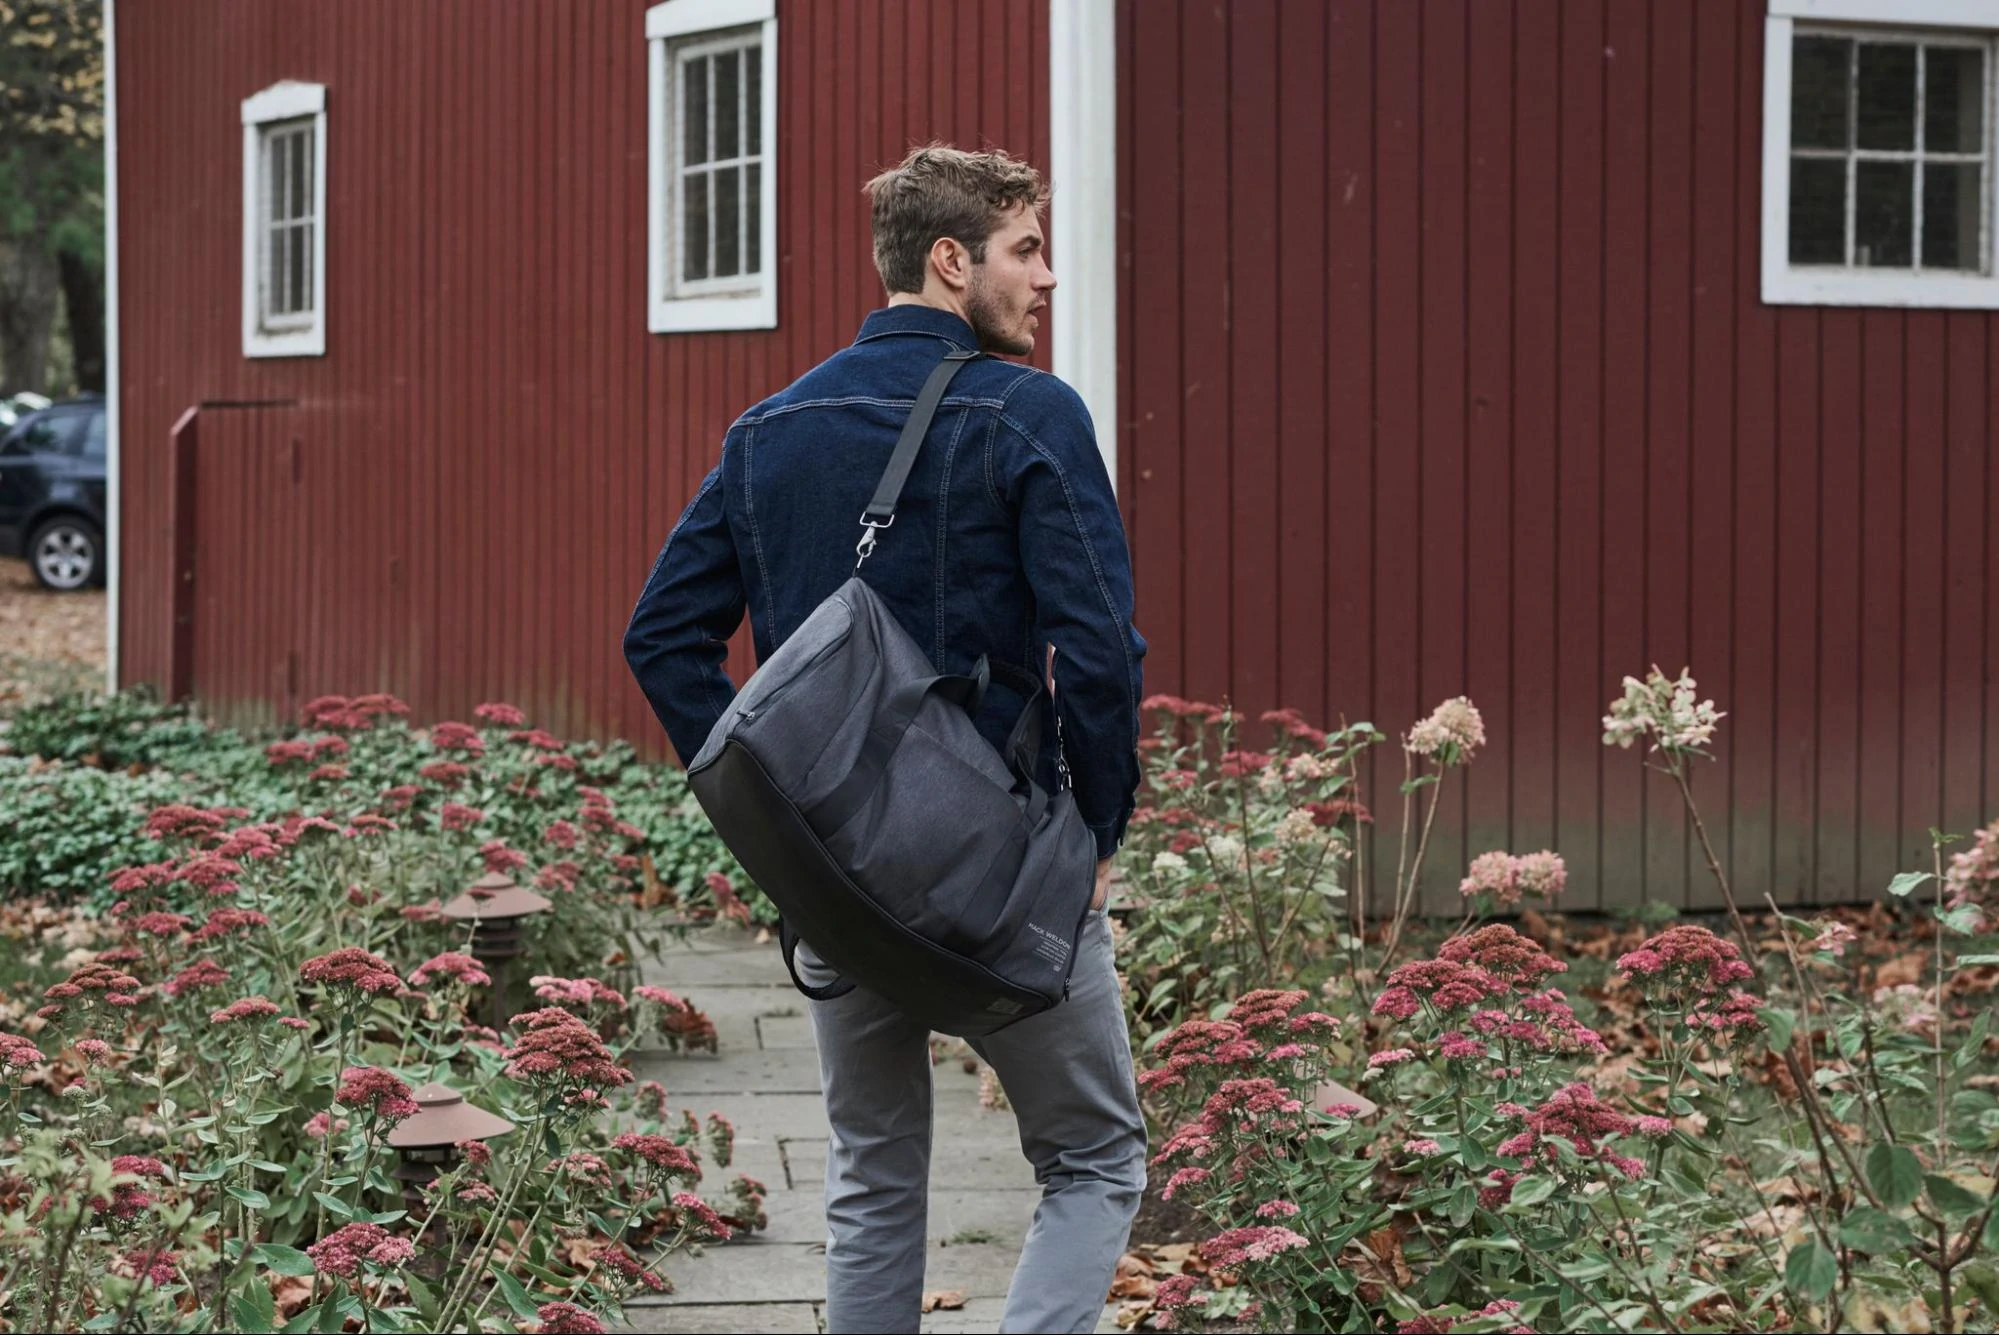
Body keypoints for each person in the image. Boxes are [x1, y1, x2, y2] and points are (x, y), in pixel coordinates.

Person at [623, 144, 1147, 1334]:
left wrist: (781, 818)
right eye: (1025, 250)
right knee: (1093, 1160)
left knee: (870, 1175)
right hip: (1003, 866)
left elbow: (662, 641)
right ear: (950, 262)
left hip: (836, 874)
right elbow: (1102, 653)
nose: (1048, 277)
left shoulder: (771, 429)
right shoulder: (1030, 415)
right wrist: (1097, 829)